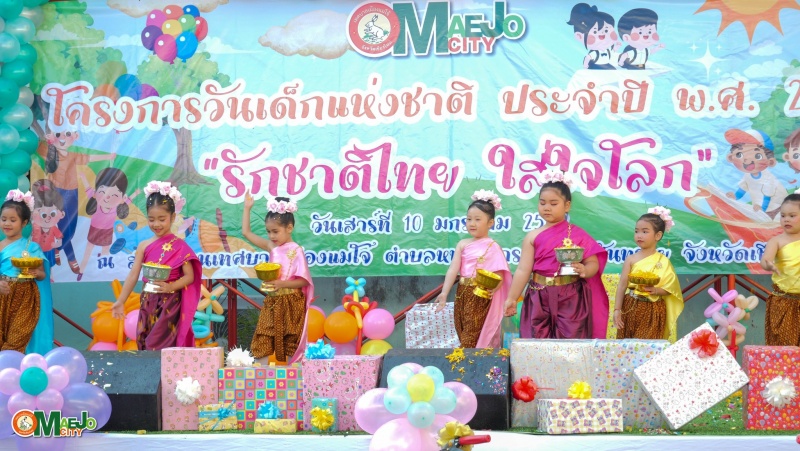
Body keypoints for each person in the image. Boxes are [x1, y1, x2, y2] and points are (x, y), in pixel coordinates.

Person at [502, 171, 609, 338]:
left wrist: (585, 270)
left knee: (570, 341)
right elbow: (523, 270)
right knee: (538, 340)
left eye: (553, 203)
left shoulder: (578, 234)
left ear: (567, 206)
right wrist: (512, 298)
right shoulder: (532, 236)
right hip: (539, 295)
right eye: (542, 203)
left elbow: (593, 263)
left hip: (571, 297)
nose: (547, 207)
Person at [111, 181, 202, 350]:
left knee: (160, 345)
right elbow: (133, 275)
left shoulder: (180, 246)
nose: (156, 224)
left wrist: (171, 286)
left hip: (170, 305)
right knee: (146, 342)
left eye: (162, 219)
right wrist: (121, 300)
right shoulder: (143, 246)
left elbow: (190, 277)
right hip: (148, 302)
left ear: (172, 218)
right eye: (151, 219)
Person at [243, 192, 313, 364]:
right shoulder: (271, 246)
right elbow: (246, 233)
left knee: (291, 339)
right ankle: (261, 374)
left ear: (289, 228)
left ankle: (291, 374)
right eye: (268, 231)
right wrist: (247, 208)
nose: (271, 236)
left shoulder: (296, 250)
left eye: (275, 231)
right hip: (273, 300)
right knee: (264, 335)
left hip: (292, 301)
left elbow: (304, 280)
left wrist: (282, 283)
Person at [435, 190, 511, 348]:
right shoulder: (462, 244)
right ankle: (469, 359)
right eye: (469, 219)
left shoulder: (493, 246)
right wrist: (444, 293)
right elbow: (453, 269)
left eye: (477, 219)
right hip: (461, 293)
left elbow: (499, 275)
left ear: (490, 223)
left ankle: (469, 360)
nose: (472, 223)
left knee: (472, 334)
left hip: (480, 295)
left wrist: (493, 290)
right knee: (462, 328)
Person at [43, 129, 115, 275]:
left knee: (71, 229)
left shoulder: (73, 156)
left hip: (72, 193)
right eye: (58, 134)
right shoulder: (51, 154)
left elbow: (89, 158)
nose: (63, 137)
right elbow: (40, 149)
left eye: (67, 135)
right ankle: (72, 258)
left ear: (75, 137)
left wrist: (108, 156)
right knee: (63, 227)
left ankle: (57, 247)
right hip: (57, 193)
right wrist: (48, 141)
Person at [613, 208, 683, 342]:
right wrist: (617, 310)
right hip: (630, 306)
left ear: (658, 235)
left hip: (653, 309)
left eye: (645, 231)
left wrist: (656, 290)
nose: (639, 235)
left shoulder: (663, 261)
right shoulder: (631, 259)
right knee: (627, 345)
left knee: (647, 346)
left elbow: (670, 289)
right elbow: (622, 285)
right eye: (636, 231)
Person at [0, 190, 51, 353]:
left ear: (24, 222)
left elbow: (42, 274)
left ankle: (10, 363)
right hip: (3, 295)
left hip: (26, 297)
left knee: (18, 335)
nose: (7, 224)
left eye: (12, 220)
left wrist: (37, 273)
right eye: (3, 219)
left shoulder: (32, 247)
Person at [78, 168, 140, 280]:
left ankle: (103, 274)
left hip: (107, 232)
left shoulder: (117, 207)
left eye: (114, 195)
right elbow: (88, 189)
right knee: (88, 251)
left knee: (105, 252)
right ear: (96, 193)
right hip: (94, 230)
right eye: (103, 192)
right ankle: (81, 271)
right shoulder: (96, 202)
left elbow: (127, 201)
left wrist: (135, 194)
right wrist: (83, 177)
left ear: (121, 198)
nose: (107, 198)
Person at [760, 194, 800, 345]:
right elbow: (766, 260)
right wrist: (769, 264)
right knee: (784, 350)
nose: (786, 219)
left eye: (792, 216)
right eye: (783, 216)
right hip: (784, 302)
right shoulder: (776, 241)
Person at [724, 128, 787, 218]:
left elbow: (767, 197)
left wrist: (762, 210)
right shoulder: (747, 175)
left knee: (773, 222)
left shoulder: (767, 178)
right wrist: (735, 197)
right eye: (739, 154)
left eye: (758, 156)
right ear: (731, 158)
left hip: (778, 207)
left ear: (770, 162)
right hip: (760, 209)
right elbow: (743, 188)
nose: (747, 160)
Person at [567, 3, 620, 70]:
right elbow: (588, 58)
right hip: (595, 67)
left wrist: (617, 46)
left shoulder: (607, 50)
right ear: (579, 36)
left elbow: (612, 52)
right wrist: (585, 66)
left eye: (607, 30)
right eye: (595, 32)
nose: (603, 35)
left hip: (606, 66)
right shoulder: (594, 53)